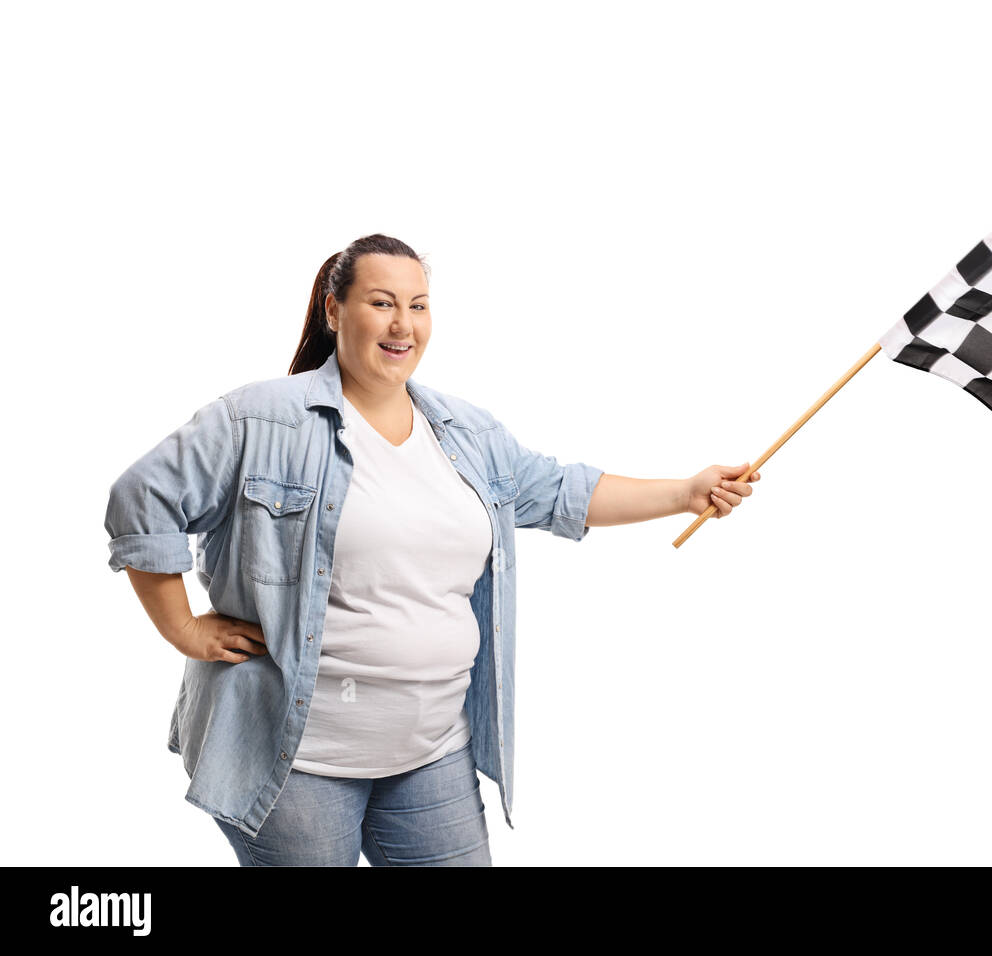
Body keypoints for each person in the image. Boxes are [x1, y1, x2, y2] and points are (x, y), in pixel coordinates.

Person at [104, 233, 761, 866]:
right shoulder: (261, 418)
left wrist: (687, 491)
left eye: (418, 305)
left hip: (432, 753)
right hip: (298, 761)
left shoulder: (465, 433)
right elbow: (143, 497)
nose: (404, 325)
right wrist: (184, 628)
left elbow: (562, 491)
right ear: (335, 310)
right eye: (382, 302)